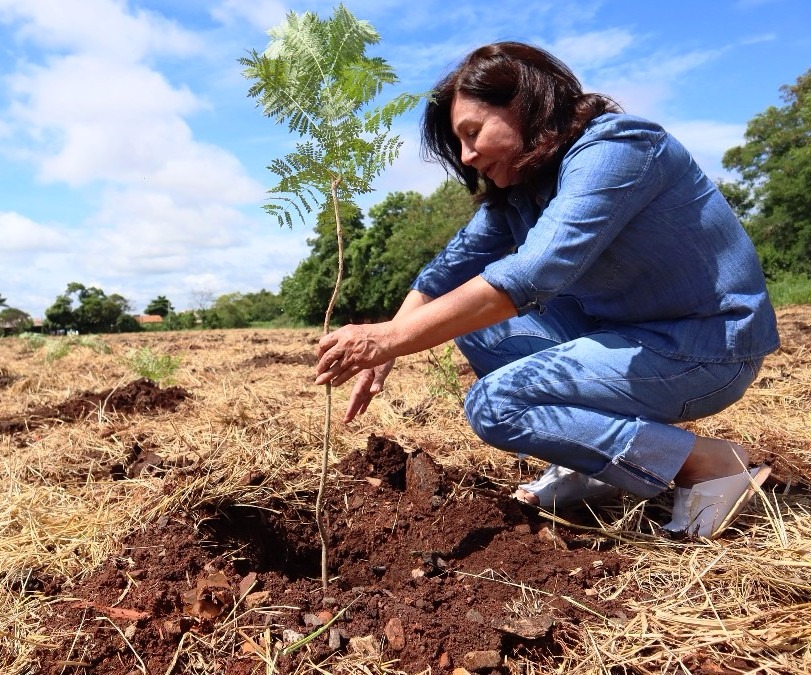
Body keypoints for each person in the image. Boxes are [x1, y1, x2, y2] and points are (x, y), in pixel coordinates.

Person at [314, 42, 779, 539]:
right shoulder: (521, 192)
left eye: (473, 134)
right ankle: (592, 463)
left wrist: (388, 340)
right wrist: (390, 339)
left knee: (497, 404)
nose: (468, 157)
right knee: (479, 330)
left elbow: (534, 272)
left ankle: (707, 463)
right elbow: (442, 276)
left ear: (525, 105)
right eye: (460, 143)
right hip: (628, 336)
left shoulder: (619, 148)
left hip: (705, 350)